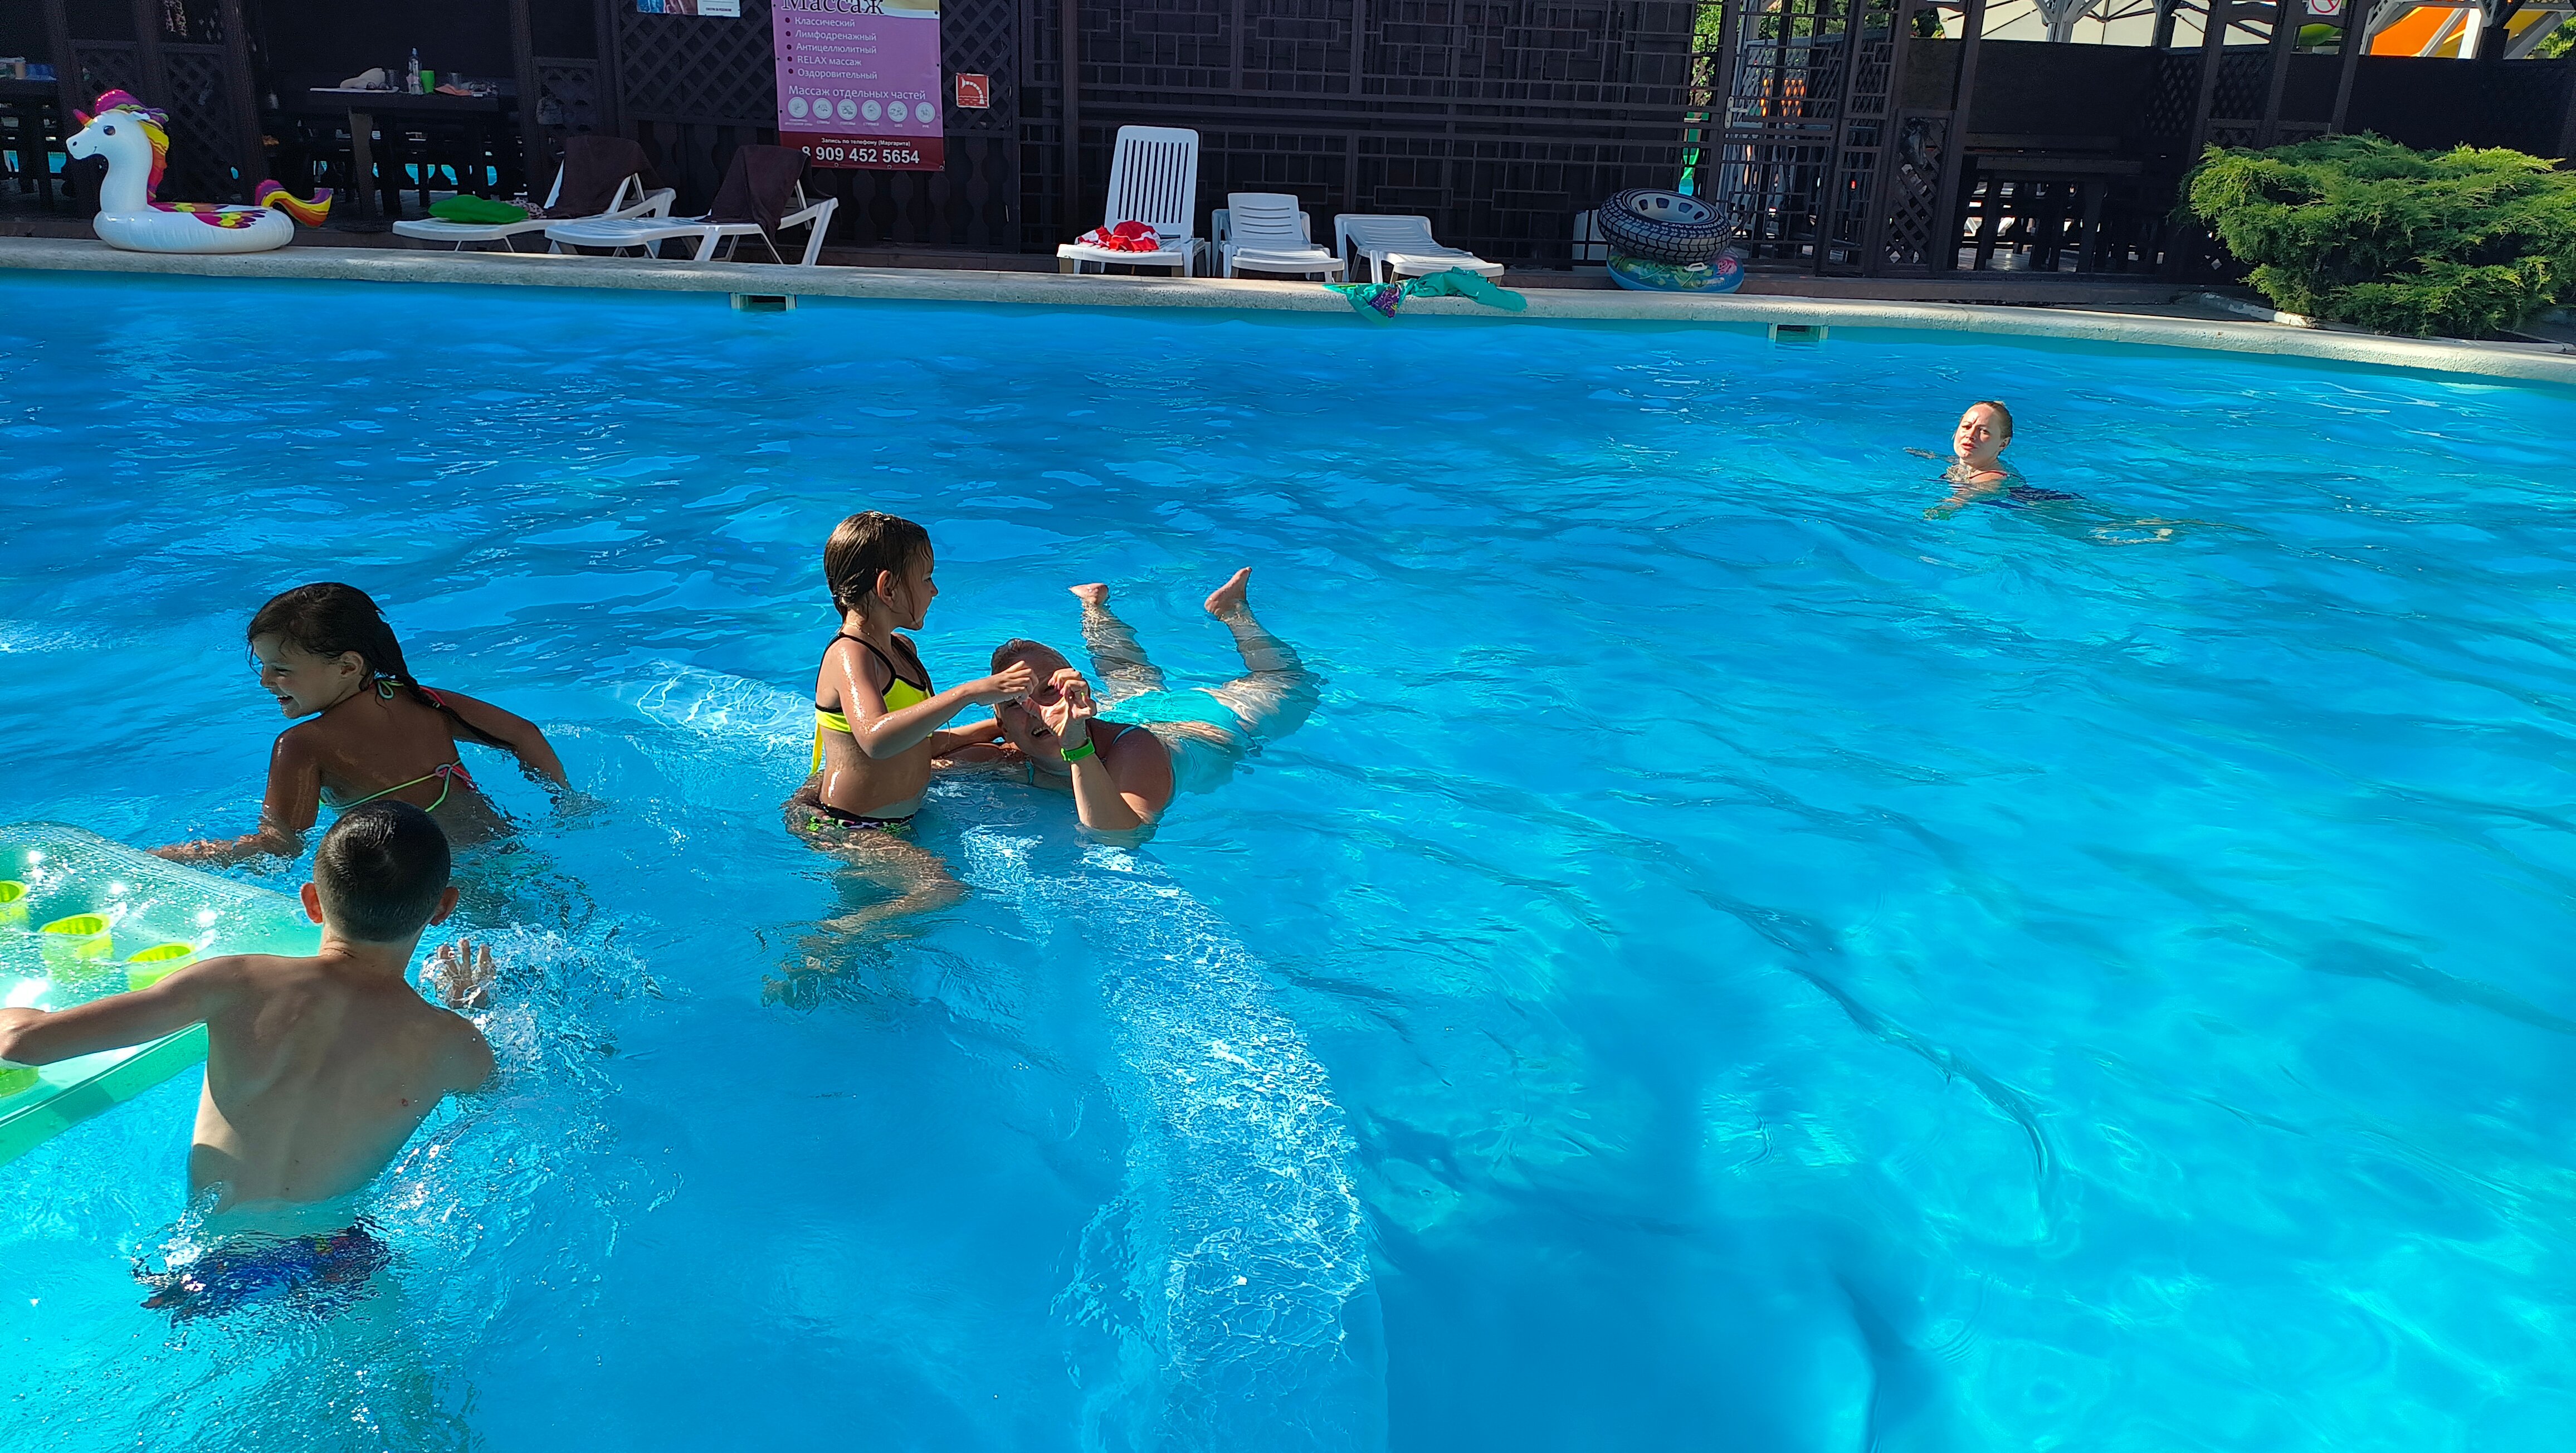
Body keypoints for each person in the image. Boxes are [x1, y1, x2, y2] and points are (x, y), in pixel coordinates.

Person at [0, 803, 495, 1315]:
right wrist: (470, 1011)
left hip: (210, 1263)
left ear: (312, 901)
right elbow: (503, 1095)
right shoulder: (452, 1042)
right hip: (337, 1257)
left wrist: (17, 1017)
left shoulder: (234, 981)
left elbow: (21, 1043)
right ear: (444, 907)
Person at [158, 583, 567, 864]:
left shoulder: (303, 744)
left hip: (430, 881)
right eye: (262, 666)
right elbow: (524, 734)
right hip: (507, 850)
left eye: (281, 669)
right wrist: (565, 802)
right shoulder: (421, 700)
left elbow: (280, 846)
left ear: (347, 667)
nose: (265, 681)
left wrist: (174, 857)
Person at [788, 511, 1035, 930]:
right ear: (888, 588)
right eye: (926, 578)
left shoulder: (901, 649)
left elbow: (915, 742)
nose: (934, 590)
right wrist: (969, 694)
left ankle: (847, 940)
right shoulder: (850, 656)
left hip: (894, 821)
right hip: (850, 825)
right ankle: (830, 939)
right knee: (941, 890)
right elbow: (876, 740)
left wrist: (999, 728)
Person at [942, 568, 1318, 834]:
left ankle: (1234, 612)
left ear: (1081, 694)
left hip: (1209, 723)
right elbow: (911, 751)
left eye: (1049, 690)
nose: (1039, 709)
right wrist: (983, 722)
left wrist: (1074, 743)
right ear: (1003, 727)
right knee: (1129, 674)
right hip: (1127, 713)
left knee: (1289, 682)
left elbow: (1122, 834)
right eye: (1015, 702)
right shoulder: (1009, 758)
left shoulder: (1137, 749)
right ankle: (1094, 608)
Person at [1915, 399, 2075, 518]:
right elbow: (1956, 462)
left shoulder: (1991, 478)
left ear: (2003, 444)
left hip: (2044, 510)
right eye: (1966, 427)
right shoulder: (1973, 464)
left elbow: (1965, 496)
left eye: (1984, 431)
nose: (1970, 435)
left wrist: (1945, 508)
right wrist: (1933, 456)